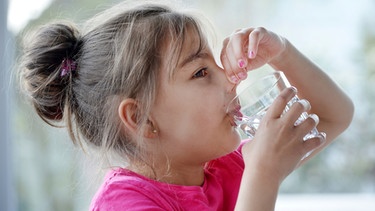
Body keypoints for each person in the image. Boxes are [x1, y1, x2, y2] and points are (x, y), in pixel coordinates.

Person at [18, 0, 354, 210]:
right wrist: (263, 176)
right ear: (141, 117)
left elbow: (333, 116)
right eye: (201, 72)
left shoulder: (225, 169)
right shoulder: (125, 205)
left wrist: (282, 53)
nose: (231, 79)